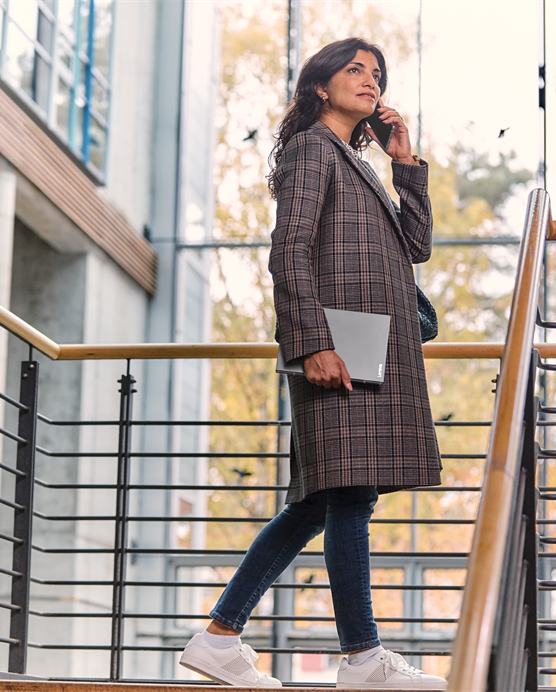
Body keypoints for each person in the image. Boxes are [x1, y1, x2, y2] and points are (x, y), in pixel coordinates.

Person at [180, 37, 445, 690]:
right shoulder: (310, 151)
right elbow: (288, 250)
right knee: (348, 495)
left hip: (364, 340)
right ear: (320, 86)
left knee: (319, 501)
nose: (370, 80)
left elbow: (416, 247)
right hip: (338, 340)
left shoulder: (363, 166)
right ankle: (362, 660)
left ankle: (220, 638)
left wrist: (405, 162)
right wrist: (311, 342)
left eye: (376, 74)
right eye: (354, 70)